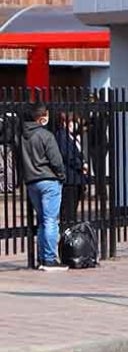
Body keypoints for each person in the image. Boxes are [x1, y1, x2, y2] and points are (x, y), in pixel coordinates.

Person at [19, 103, 65, 271]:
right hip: (48, 180)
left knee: (42, 221)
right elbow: (56, 160)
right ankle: (50, 259)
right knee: (51, 220)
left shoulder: (22, 136)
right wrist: (61, 175)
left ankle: (42, 257)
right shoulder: (46, 135)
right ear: (41, 117)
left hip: (32, 181)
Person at [55, 113, 88, 229]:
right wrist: (81, 165)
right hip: (70, 178)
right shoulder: (62, 136)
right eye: (73, 122)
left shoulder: (70, 136)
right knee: (68, 212)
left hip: (75, 178)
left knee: (72, 211)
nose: (75, 125)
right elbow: (67, 155)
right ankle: (68, 233)